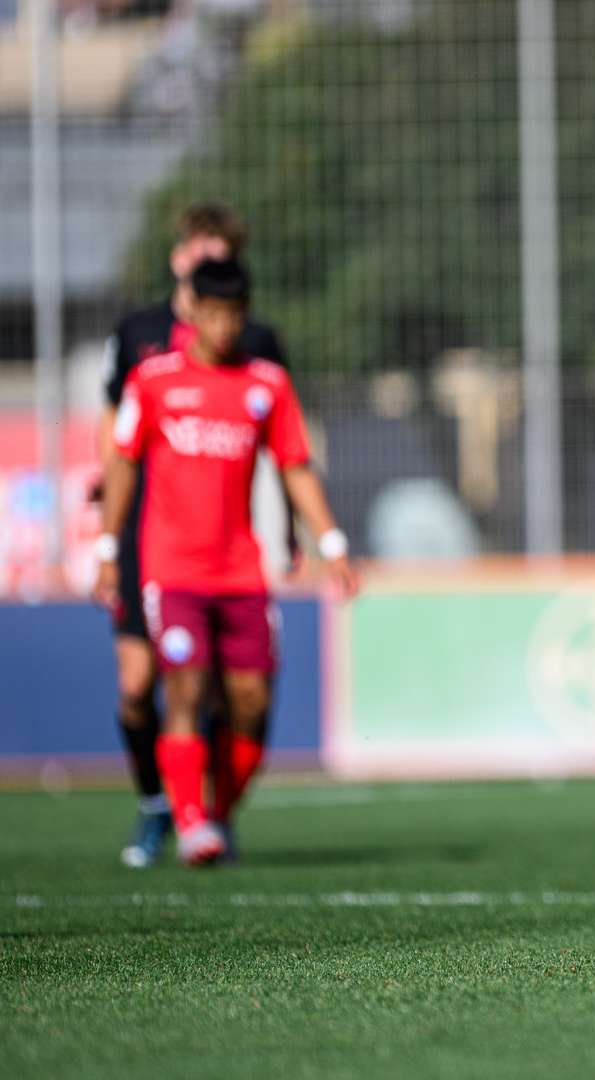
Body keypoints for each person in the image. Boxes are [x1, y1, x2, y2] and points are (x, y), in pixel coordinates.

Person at [94, 258, 358, 867]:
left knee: (253, 703)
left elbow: (294, 465)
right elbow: (123, 464)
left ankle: (215, 814)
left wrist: (332, 542)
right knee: (183, 686)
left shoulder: (265, 385)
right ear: (192, 312)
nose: (222, 325)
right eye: (212, 312)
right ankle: (189, 824)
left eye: (233, 314)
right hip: (173, 571)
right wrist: (109, 548)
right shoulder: (153, 381)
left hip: (240, 571)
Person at [98, 202, 288, 868]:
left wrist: (293, 533)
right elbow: (114, 429)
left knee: (215, 689)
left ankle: (198, 812)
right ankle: (159, 807)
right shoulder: (138, 333)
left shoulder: (256, 345)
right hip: (149, 535)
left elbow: (282, 446)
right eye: (195, 245)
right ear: (179, 254)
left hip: (226, 550)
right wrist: (106, 523)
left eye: (217, 248)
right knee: (137, 681)